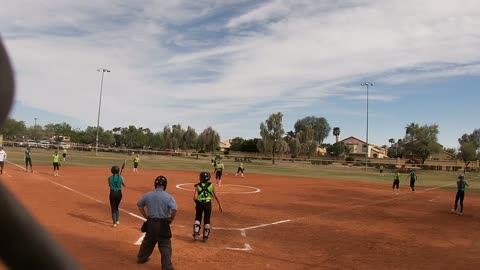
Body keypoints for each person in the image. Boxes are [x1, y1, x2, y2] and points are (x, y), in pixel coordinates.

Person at [137, 176, 177, 269]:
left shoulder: (147, 195)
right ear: (165, 185)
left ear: (155, 184)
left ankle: (141, 258)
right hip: (163, 224)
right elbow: (174, 209)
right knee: (165, 244)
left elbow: (139, 205)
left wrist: (146, 216)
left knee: (148, 240)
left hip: (151, 223)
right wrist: (171, 219)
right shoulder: (168, 197)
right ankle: (167, 266)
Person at [193, 172, 223, 242]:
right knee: (207, 219)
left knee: (198, 218)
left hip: (200, 203)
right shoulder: (211, 185)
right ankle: (205, 237)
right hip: (208, 204)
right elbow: (216, 196)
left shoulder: (198, 186)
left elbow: (194, 197)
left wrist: (197, 203)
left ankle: (196, 233)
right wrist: (220, 205)